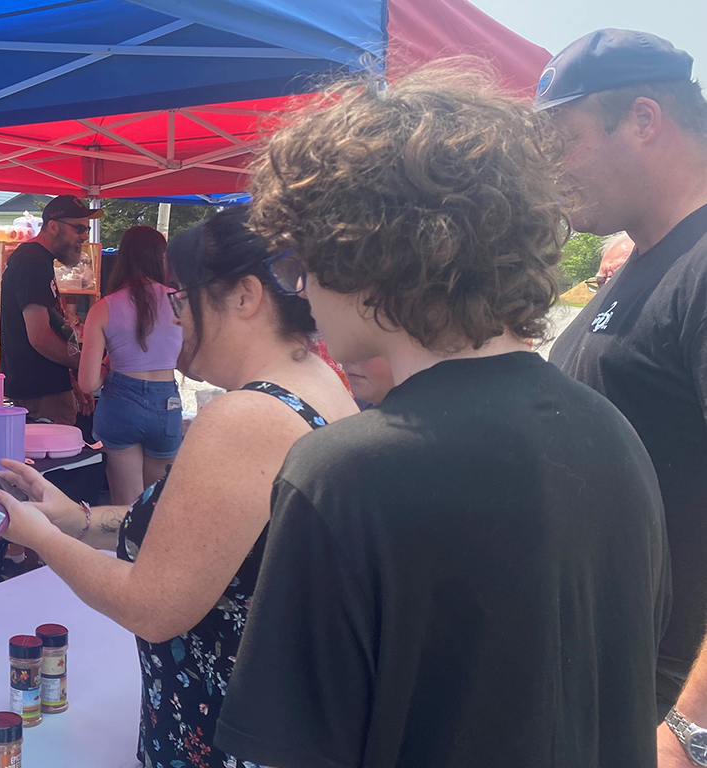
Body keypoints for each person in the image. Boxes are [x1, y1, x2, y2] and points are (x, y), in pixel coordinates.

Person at [213, 62, 669, 767]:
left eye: (299, 261)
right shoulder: (612, 432)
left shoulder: (346, 474)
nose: (300, 290)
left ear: (358, 252)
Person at [0, 208, 358, 768]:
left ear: (244, 297)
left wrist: (41, 538)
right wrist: (79, 521)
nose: (177, 319)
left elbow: (152, 605)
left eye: (182, 299)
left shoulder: (245, 417)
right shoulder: (318, 383)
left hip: (224, 731)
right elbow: (211, 535)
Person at [534, 30, 707, 758]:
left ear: (643, 119)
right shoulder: (642, 262)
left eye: (562, 142)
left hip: (659, 707)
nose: (549, 171)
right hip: (600, 685)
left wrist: (690, 732)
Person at [79, 225, 183, 506]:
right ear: (161, 259)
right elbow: (193, 366)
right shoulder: (180, 302)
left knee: (125, 510)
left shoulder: (103, 307)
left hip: (121, 404)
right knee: (157, 508)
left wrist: (110, 363)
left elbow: (87, 383)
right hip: (166, 403)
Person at [0, 195, 102, 425]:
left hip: (43, 388)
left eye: (87, 229)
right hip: (40, 391)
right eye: (79, 228)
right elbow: (40, 337)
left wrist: (73, 377)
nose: (84, 236)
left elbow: (49, 330)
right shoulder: (31, 261)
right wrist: (84, 365)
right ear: (53, 227)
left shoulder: (38, 260)